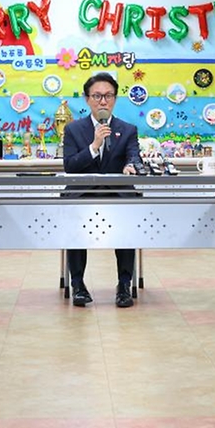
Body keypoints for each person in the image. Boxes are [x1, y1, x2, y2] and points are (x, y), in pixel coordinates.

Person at [62, 72, 141, 308]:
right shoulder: (74, 130)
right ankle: (78, 285)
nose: (103, 101)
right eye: (97, 96)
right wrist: (94, 146)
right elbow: (70, 166)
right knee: (75, 227)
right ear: (87, 99)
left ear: (115, 99)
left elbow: (135, 158)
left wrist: (131, 166)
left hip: (118, 194)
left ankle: (124, 285)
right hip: (82, 194)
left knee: (127, 226)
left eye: (108, 96)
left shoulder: (127, 129)